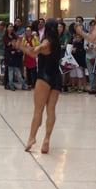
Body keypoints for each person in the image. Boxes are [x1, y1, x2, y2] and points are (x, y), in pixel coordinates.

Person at [18, 19, 61, 154]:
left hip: (44, 77)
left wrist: (21, 46)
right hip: (56, 77)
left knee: (38, 110)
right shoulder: (57, 42)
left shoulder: (46, 42)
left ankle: (32, 138)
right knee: (51, 110)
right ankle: (47, 139)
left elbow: (34, 52)